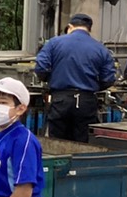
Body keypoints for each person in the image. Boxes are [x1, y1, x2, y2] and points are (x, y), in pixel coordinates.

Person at [33, 13, 117, 143]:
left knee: (57, 143)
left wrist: (50, 79)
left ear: (70, 27)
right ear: (89, 29)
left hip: (61, 100)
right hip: (86, 101)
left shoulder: (54, 43)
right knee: (85, 143)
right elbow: (109, 79)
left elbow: (41, 68)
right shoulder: (101, 49)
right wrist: (92, 85)